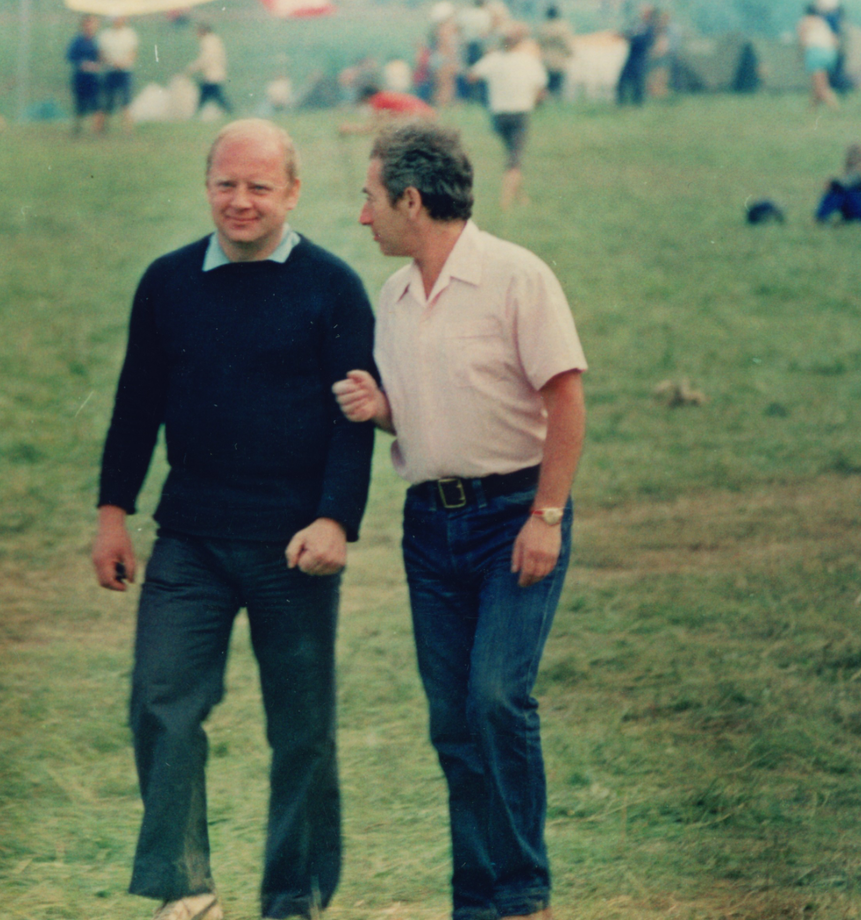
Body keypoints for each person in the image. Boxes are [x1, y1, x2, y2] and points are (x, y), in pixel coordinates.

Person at [91, 119, 376, 920]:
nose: (240, 201)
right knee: (160, 701)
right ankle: (187, 893)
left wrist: (334, 522)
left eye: (259, 187)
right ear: (206, 183)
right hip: (190, 538)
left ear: (291, 192)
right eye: (226, 183)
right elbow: (134, 406)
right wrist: (113, 514)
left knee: (304, 732)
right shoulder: (167, 282)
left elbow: (354, 421)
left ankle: (294, 898)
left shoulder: (332, 287)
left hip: (294, 545)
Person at [335, 121, 586, 920]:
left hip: (515, 518)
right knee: (452, 723)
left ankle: (523, 896)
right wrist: (382, 410)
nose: (362, 216)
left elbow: (566, 400)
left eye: (371, 199)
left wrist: (545, 517)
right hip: (429, 528)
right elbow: (425, 413)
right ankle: (477, 902)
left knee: (495, 699)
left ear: (412, 199)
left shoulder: (517, 277)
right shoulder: (395, 295)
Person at [467, 23, 548, 209]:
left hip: (498, 114)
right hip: (520, 112)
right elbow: (541, 87)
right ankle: (506, 202)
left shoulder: (493, 59)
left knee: (511, 154)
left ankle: (521, 197)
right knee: (514, 159)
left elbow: (472, 76)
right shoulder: (528, 60)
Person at [338, 83, 436, 135]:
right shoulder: (386, 96)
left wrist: (350, 129)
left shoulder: (378, 99)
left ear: (367, 98)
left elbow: (374, 128)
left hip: (419, 119)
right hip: (429, 117)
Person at [98, 16, 138, 133]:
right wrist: (112, 62)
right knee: (108, 100)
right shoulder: (105, 35)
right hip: (110, 70)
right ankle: (102, 128)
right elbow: (101, 53)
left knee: (126, 100)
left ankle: (128, 128)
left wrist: (123, 63)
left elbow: (133, 52)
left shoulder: (130, 34)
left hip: (125, 71)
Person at [67, 15, 104, 135]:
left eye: (92, 24)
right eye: (87, 24)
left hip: (93, 76)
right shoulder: (78, 41)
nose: (90, 26)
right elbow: (70, 56)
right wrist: (82, 63)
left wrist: (98, 63)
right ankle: (77, 128)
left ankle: (97, 130)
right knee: (80, 103)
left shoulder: (97, 41)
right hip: (81, 76)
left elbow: (101, 57)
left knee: (96, 103)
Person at [798, 4, 840, 108]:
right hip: (830, 53)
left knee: (821, 86)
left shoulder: (805, 21)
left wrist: (801, 56)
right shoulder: (822, 22)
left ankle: (834, 107)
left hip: (815, 52)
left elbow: (803, 40)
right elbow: (834, 40)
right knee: (818, 84)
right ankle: (812, 109)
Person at [187, 23, 232, 116]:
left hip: (212, 74)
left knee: (213, 96)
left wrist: (192, 68)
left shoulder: (208, 41)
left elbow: (206, 58)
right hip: (214, 73)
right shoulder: (214, 40)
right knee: (212, 96)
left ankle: (195, 114)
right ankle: (230, 112)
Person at [616, 4, 656, 106]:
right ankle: (621, 103)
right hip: (631, 57)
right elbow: (629, 33)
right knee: (622, 80)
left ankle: (638, 104)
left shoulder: (651, 28)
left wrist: (629, 38)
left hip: (641, 58)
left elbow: (644, 41)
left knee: (638, 82)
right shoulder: (638, 25)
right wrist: (622, 35)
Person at [815, 142, 861, 222]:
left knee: (838, 192)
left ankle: (821, 216)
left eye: (855, 156)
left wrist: (833, 183)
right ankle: (821, 216)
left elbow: (846, 183)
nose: (852, 159)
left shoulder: (856, 174)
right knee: (838, 192)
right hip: (854, 206)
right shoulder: (850, 173)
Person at [537, 5, 574, 98]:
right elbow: (567, 43)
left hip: (546, 58)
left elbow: (539, 43)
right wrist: (570, 53)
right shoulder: (563, 27)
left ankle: (548, 97)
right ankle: (557, 97)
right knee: (558, 81)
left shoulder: (543, 27)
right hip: (559, 58)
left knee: (548, 81)